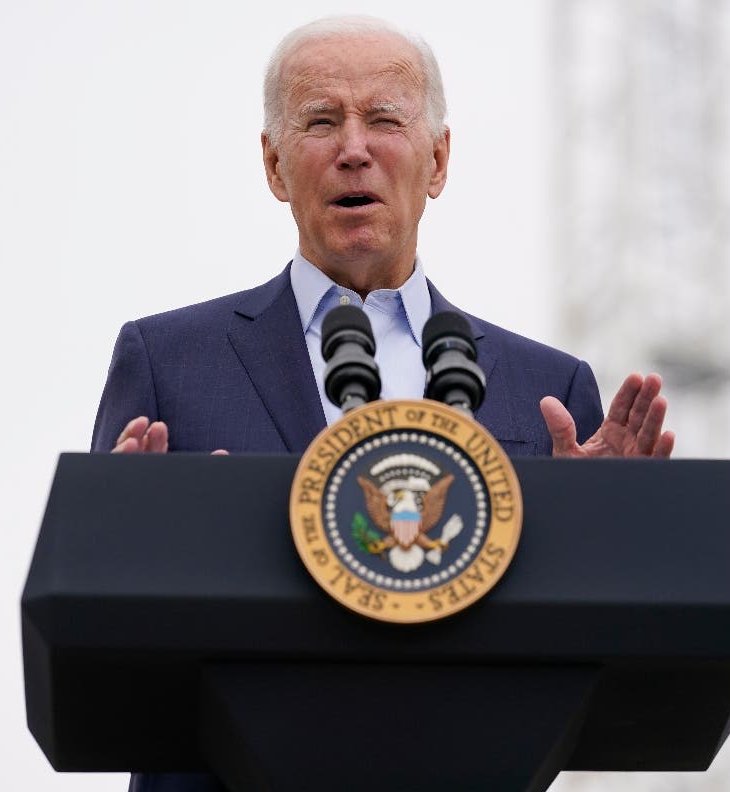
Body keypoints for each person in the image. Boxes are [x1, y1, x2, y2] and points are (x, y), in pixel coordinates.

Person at [91, 16, 674, 792]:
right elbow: (94, 642)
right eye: (321, 121)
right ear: (273, 163)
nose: (353, 148)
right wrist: (124, 541)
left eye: (386, 120)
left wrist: (602, 534)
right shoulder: (169, 362)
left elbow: (601, 666)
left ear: (437, 160)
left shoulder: (549, 391)